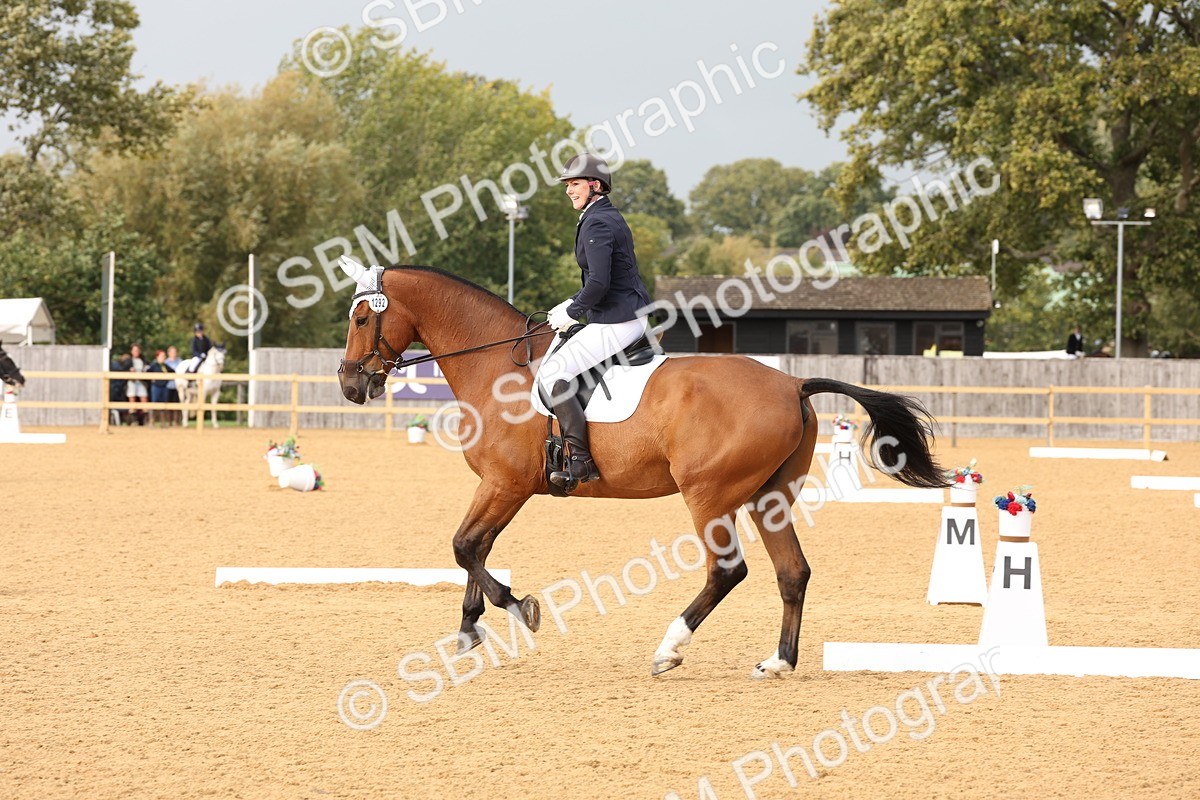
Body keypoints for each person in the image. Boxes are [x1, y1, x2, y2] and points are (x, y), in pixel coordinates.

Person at [540, 153, 653, 492]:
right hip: (618, 314)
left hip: (618, 319)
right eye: (567, 185)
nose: (568, 191)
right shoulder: (601, 216)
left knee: (554, 372)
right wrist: (571, 303)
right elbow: (598, 280)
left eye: (573, 184)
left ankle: (580, 460)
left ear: (594, 185)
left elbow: (600, 283)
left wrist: (573, 311)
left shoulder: (599, 222)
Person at [145, 349, 173, 426]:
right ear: (157, 357)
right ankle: (151, 421)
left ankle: (163, 422)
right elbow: (147, 373)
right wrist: (151, 379)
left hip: (164, 386)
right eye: (162, 356)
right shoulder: (154, 365)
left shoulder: (165, 366)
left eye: (164, 356)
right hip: (156, 387)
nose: (164, 357)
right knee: (154, 404)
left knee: (163, 405)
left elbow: (173, 372)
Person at [126, 343, 148, 425]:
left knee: (144, 399)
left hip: (141, 382)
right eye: (134, 350)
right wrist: (129, 370)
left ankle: (144, 420)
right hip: (132, 381)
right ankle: (133, 420)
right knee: (132, 400)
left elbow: (148, 368)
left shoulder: (143, 360)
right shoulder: (128, 361)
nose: (136, 352)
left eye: (137, 350)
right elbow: (123, 368)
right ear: (131, 351)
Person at [165, 345, 182, 425]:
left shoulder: (180, 362)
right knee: (168, 403)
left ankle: (177, 421)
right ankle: (169, 421)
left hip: (178, 386)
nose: (173, 354)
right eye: (172, 352)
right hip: (168, 385)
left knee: (177, 403)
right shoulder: (166, 362)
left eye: (175, 352)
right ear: (169, 353)